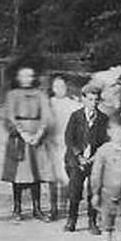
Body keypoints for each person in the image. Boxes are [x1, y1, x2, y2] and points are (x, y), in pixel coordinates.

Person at [1, 63, 54, 222]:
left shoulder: (40, 95)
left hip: (37, 137)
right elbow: (9, 117)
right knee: (18, 175)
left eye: (30, 76)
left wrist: (39, 134)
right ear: (18, 78)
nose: (27, 79)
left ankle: (37, 209)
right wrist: (22, 133)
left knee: (36, 174)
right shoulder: (12, 95)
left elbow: (46, 116)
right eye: (24, 76)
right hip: (19, 138)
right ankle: (17, 209)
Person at [63, 83, 109, 233]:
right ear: (83, 99)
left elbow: (105, 141)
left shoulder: (103, 118)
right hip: (76, 160)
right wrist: (79, 156)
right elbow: (69, 138)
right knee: (75, 190)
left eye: (96, 100)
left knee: (93, 191)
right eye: (90, 99)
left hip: (95, 160)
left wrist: (96, 157)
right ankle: (71, 220)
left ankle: (92, 221)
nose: (93, 103)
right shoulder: (75, 116)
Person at [47, 75, 81, 222]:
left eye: (62, 86)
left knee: (65, 175)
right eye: (56, 86)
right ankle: (53, 208)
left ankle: (63, 205)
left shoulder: (72, 103)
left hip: (66, 143)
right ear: (52, 88)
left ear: (67, 87)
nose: (59, 89)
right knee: (52, 176)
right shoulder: (48, 103)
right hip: (51, 143)